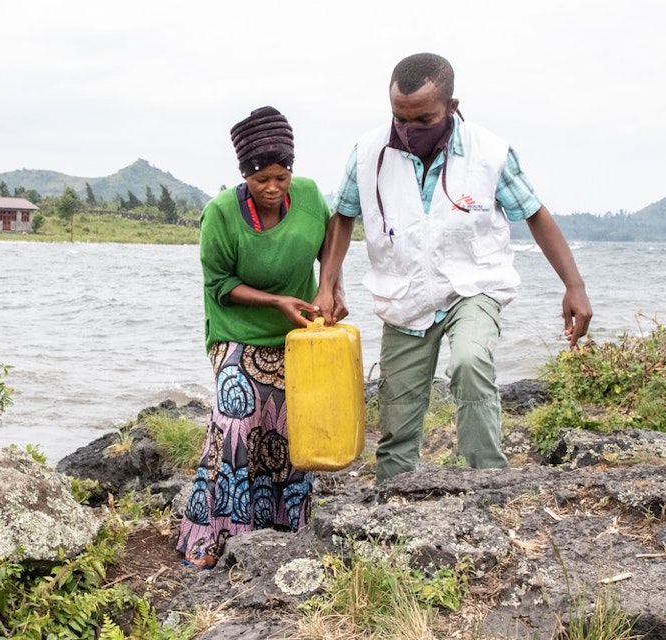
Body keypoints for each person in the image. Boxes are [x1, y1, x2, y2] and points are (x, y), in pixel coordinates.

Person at [317, 52, 593, 484]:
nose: (409, 130)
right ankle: (395, 495)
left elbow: (534, 214)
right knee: (397, 415)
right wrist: (327, 285)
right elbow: (343, 216)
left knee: (469, 360)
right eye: (399, 118)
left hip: (474, 286)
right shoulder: (367, 152)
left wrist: (574, 286)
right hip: (404, 295)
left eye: (423, 119)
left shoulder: (489, 153)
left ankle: (489, 482)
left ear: (452, 107)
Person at [176, 106, 345, 568]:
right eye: (260, 179)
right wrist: (277, 302)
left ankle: (286, 531)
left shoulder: (308, 196)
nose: (272, 187)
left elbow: (331, 242)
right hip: (236, 334)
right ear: (244, 175)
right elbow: (219, 285)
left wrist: (332, 289)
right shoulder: (220, 214)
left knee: (293, 428)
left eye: (281, 177)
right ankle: (212, 537)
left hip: (297, 337)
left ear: (292, 170)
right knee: (238, 422)